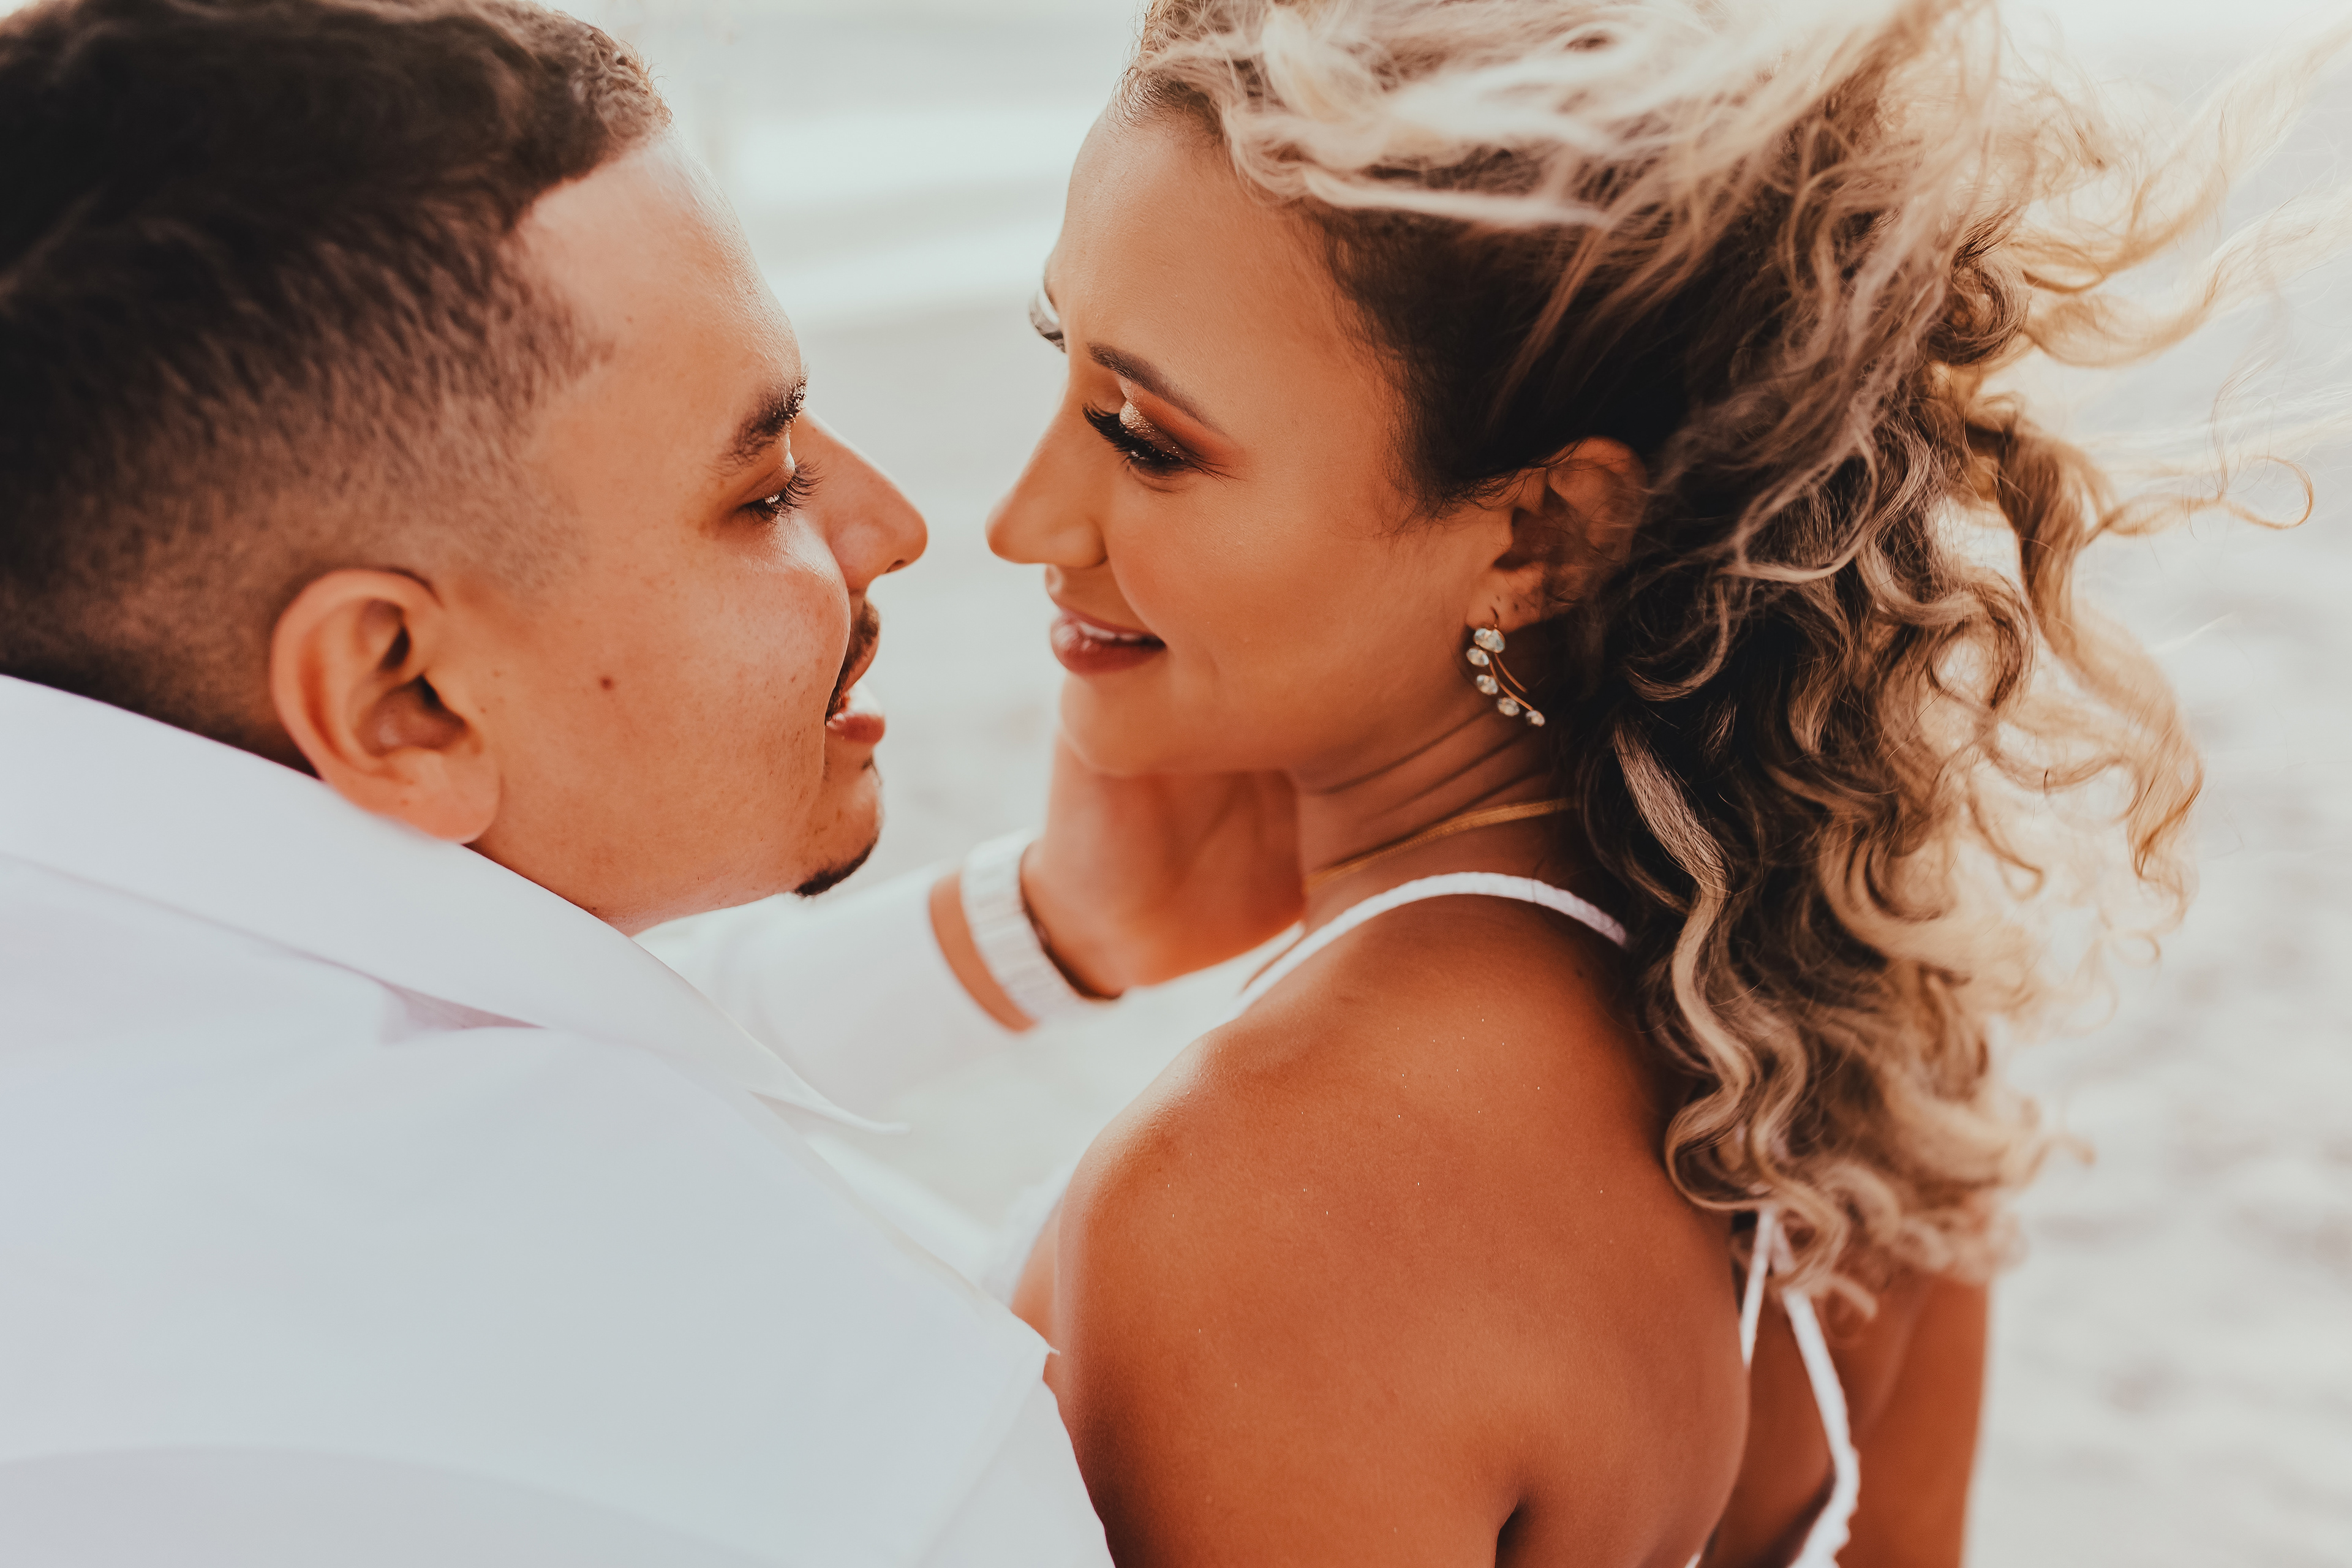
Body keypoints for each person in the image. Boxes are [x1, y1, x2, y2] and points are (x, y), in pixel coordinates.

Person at [977, 1, 2349, 1564]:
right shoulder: (1850, 1032)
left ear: (1540, 534)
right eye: (1058, 354)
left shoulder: (1261, 1198)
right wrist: (1042, 915)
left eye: (1142, 438)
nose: (1023, 521)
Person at [0, 0, 1298, 1562]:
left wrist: (1039, 926)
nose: (895, 524)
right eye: (765, 487)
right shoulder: (820, 1445)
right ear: (401, 692)